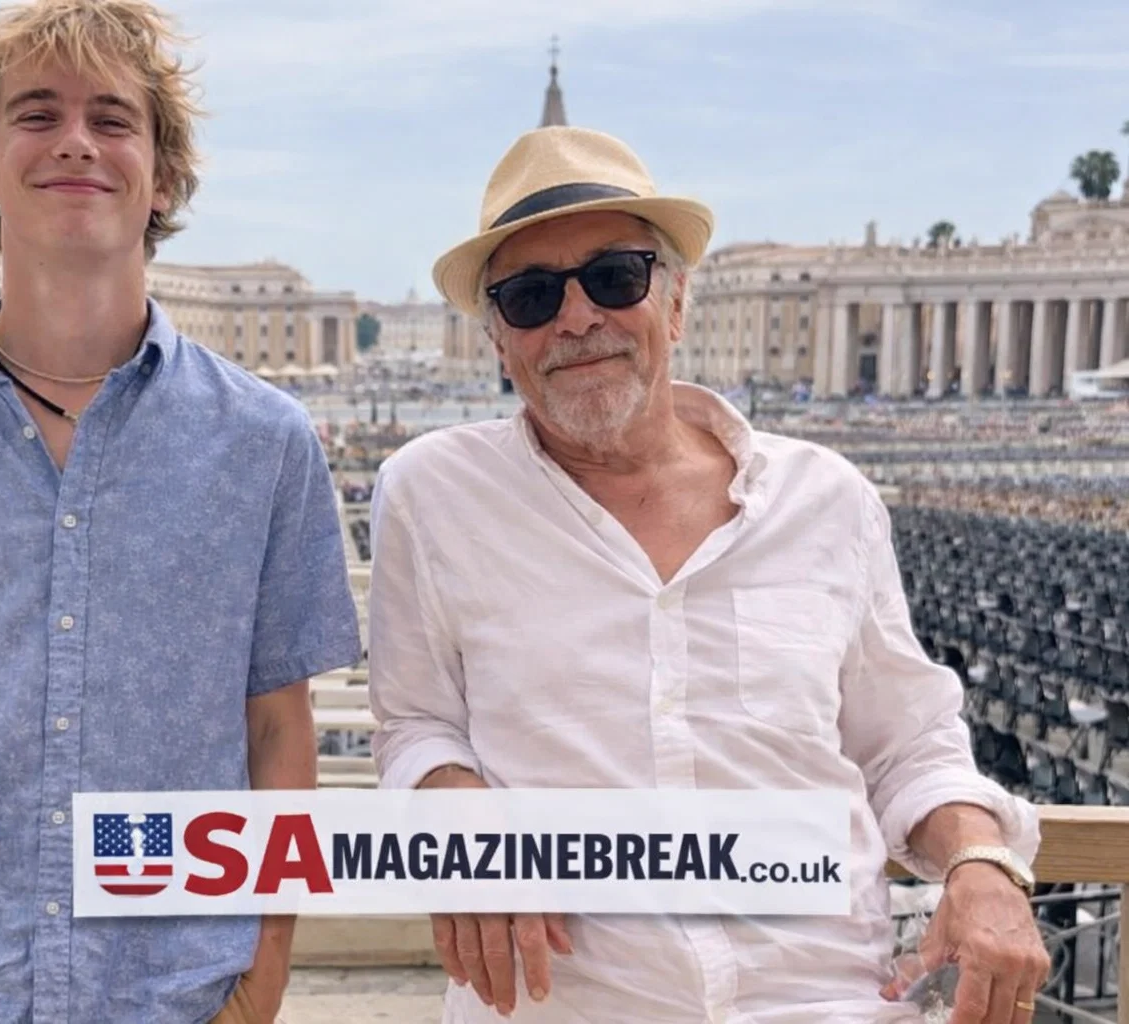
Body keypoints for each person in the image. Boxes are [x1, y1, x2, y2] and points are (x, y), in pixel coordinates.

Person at [366, 125, 1050, 1024]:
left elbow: (907, 743)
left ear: (677, 301)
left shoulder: (829, 499)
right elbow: (415, 725)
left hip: (825, 1002)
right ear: (500, 341)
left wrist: (981, 862)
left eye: (615, 277)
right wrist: (464, 818)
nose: (577, 318)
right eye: (531, 296)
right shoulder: (431, 493)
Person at [0, 2, 361, 1022]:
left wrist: (263, 973)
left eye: (113, 118)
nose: (77, 141)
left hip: (180, 992)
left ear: (163, 177)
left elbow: (279, 728)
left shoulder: (266, 442)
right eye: (38, 114)